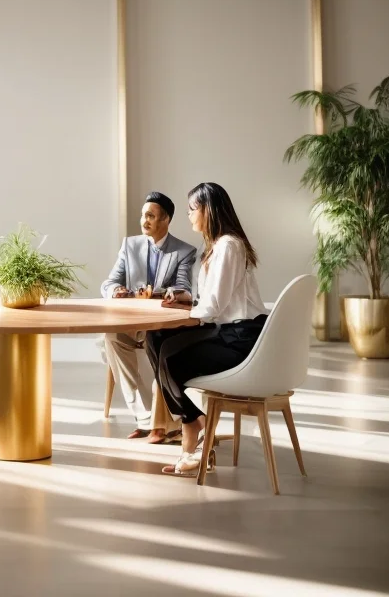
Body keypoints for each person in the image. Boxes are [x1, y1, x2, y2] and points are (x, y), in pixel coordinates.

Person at [148, 182, 268, 478]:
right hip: (224, 330)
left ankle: (194, 430)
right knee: (156, 337)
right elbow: (214, 300)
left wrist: (190, 311)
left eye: (192, 209)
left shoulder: (229, 245)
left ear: (208, 210)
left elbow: (214, 307)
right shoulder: (217, 246)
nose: (189, 215)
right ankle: (196, 426)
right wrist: (190, 300)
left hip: (240, 339)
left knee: (172, 359)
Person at [101, 192, 197, 440]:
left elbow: (184, 288)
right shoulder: (129, 245)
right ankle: (145, 417)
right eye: (143, 215)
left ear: (166, 220)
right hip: (132, 321)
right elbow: (109, 282)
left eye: (151, 216)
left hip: (161, 323)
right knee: (112, 335)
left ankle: (161, 422)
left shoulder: (184, 251)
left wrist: (161, 293)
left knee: (159, 343)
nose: (144, 221)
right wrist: (116, 290)